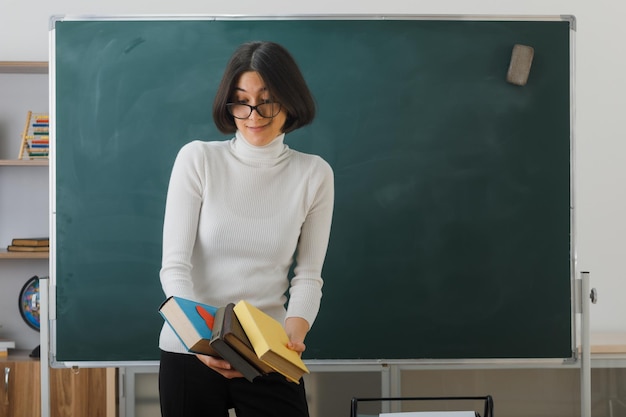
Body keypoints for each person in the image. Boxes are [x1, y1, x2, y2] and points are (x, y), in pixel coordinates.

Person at [158, 41, 334, 417]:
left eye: (267, 100)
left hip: (270, 353)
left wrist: (294, 338)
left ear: (290, 100)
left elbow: (308, 276)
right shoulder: (198, 159)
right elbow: (174, 267)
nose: (253, 114)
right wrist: (201, 344)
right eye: (240, 101)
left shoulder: (314, 174)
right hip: (192, 350)